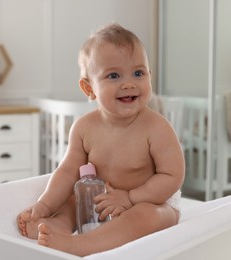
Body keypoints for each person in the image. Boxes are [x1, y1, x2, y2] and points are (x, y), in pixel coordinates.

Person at [16, 22, 185, 257]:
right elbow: (66, 172)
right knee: (73, 198)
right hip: (101, 202)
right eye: (113, 75)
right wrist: (45, 205)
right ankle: (60, 225)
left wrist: (130, 198)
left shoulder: (156, 127)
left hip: (151, 201)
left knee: (146, 216)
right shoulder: (84, 128)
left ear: (149, 76)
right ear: (89, 88)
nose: (129, 83)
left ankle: (82, 245)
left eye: (139, 73)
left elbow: (172, 176)